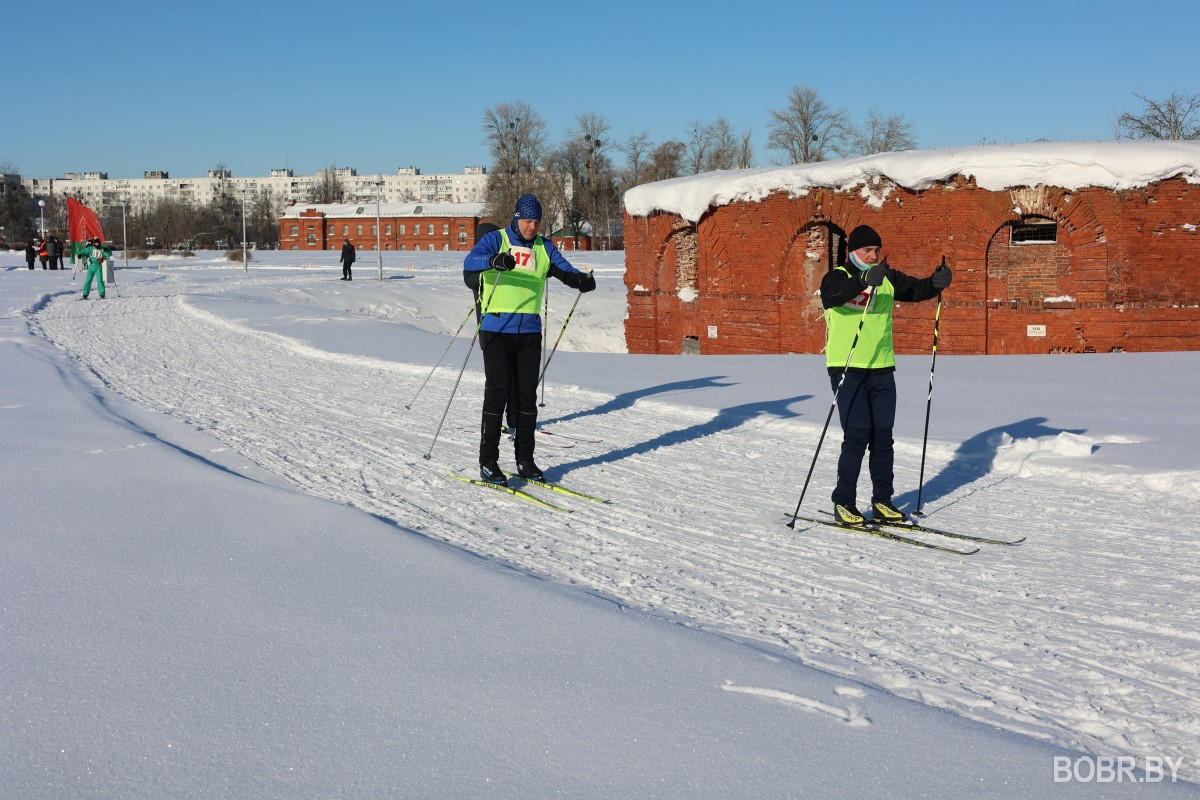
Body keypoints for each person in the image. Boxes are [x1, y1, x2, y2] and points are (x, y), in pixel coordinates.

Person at [820, 224, 952, 527]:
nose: (873, 255)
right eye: (867, 250)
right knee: (856, 436)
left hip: (881, 368)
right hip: (847, 367)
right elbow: (833, 297)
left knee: (882, 439)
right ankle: (843, 502)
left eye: (877, 250)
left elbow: (916, 289)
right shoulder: (837, 277)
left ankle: (882, 501)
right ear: (853, 251)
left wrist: (936, 282)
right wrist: (864, 280)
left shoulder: (887, 277)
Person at [463, 194, 596, 485]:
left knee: (526, 398)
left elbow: (564, 270)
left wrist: (581, 281)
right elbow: (470, 261)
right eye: (527, 221)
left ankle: (525, 460)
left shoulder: (544, 247)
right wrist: (494, 260)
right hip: (496, 328)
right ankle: (488, 463)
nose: (531, 226)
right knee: (498, 393)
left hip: (529, 333)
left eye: (536, 221)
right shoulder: (497, 239)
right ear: (516, 217)